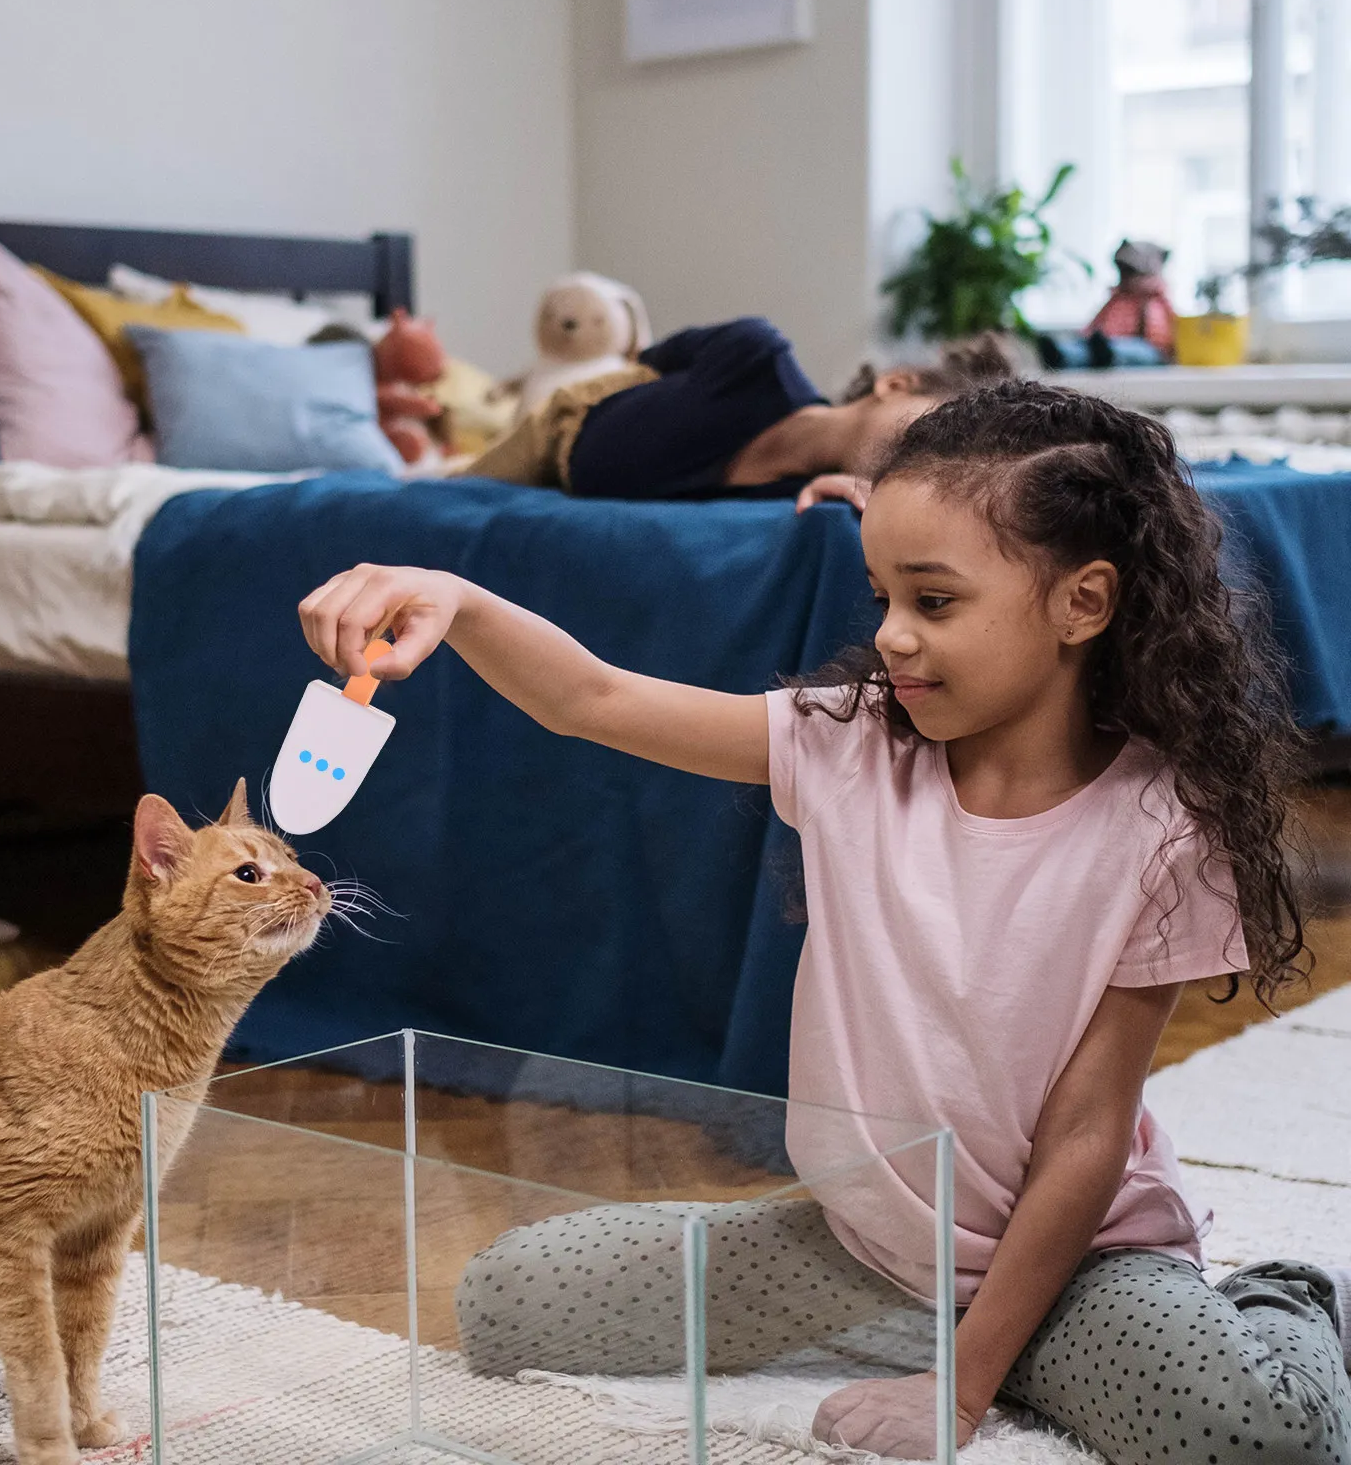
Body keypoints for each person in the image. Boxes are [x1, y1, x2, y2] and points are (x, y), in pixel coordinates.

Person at [298, 381, 1351, 1463]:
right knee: (507, 1304)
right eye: (881, 594)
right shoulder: (845, 745)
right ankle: (966, 1336)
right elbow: (593, 699)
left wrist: (957, 1387)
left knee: (1261, 1437)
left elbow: (1086, 1139)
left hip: (1077, 1256)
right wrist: (455, 598)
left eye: (933, 601)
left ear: (1082, 603)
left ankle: (1283, 1296)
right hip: (862, 1247)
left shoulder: (1164, 827)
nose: (890, 635)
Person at [464, 320, 1015, 510]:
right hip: (564, 424)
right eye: (926, 428)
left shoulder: (810, 495)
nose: (922, 454)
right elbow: (651, 362)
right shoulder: (756, 356)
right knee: (447, 489)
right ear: (895, 384)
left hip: (582, 482)